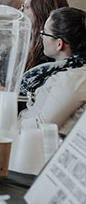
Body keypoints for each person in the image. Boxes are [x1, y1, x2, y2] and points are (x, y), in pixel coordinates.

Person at [19, 7, 86, 135]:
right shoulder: (66, 72)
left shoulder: (71, 79)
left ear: (59, 44)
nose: (41, 37)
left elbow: (41, 126)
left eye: (44, 33)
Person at [22, 0, 69, 72]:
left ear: (40, 12)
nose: (21, 10)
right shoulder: (27, 43)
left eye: (26, 7)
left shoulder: (49, 54)